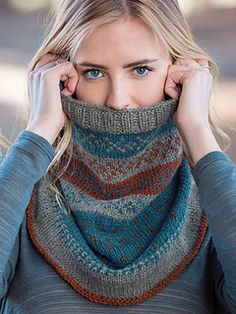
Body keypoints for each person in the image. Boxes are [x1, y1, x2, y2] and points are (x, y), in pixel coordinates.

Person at [0, 0, 236, 313]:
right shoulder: (20, 189)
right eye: (94, 73)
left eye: (140, 70)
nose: (117, 100)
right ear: (58, 76)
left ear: (182, 70)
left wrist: (197, 131)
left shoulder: (214, 200)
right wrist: (40, 131)